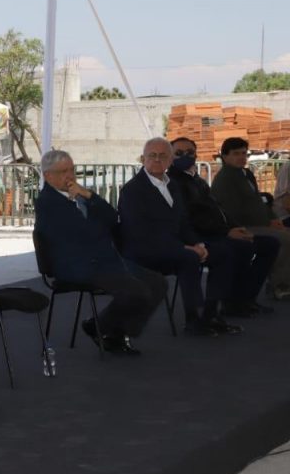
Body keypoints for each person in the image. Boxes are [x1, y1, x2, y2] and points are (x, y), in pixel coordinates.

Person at [35, 149, 167, 354]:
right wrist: (97, 222)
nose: (70, 176)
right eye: (63, 172)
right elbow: (84, 232)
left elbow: (111, 217)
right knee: (137, 291)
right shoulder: (47, 202)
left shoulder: (79, 194)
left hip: (103, 259)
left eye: (72, 169)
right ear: (48, 175)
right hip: (77, 264)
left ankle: (111, 330)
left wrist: (89, 195)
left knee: (158, 283)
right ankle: (101, 328)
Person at [117, 138, 241, 336]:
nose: (157, 160)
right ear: (143, 159)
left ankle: (211, 315)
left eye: (163, 156)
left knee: (223, 253)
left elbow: (183, 223)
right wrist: (185, 248)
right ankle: (194, 320)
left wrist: (198, 244)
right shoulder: (133, 190)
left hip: (172, 246)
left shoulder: (172, 185)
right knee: (189, 258)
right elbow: (141, 233)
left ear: (170, 160)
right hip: (144, 251)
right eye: (152, 155)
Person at [167, 137, 278, 316]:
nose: (185, 156)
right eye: (179, 153)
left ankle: (245, 298)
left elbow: (218, 210)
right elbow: (192, 219)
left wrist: (236, 228)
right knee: (240, 248)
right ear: (170, 156)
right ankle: (230, 304)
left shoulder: (197, 179)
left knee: (269, 244)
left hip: (217, 230)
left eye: (190, 152)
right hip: (197, 236)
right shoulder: (173, 183)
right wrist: (227, 232)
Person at [210, 137, 290, 299]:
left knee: (284, 233)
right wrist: (266, 223)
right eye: (236, 154)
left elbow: (259, 201)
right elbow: (231, 212)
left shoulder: (246, 174)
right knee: (284, 238)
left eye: (244, 153)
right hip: (241, 227)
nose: (241, 157)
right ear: (224, 156)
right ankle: (279, 285)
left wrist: (273, 218)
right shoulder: (225, 179)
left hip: (260, 223)